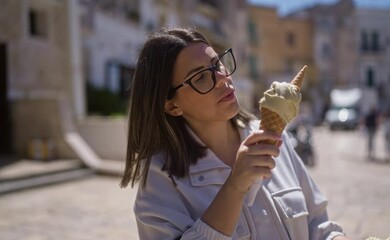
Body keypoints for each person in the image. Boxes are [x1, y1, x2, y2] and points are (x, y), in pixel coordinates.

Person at [120, 27, 349, 240]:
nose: (222, 79)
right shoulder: (160, 179)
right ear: (171, 105)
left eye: (217, 64)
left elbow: (318, 223)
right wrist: (235, 185)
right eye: (200, 77)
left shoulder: (274, 138)